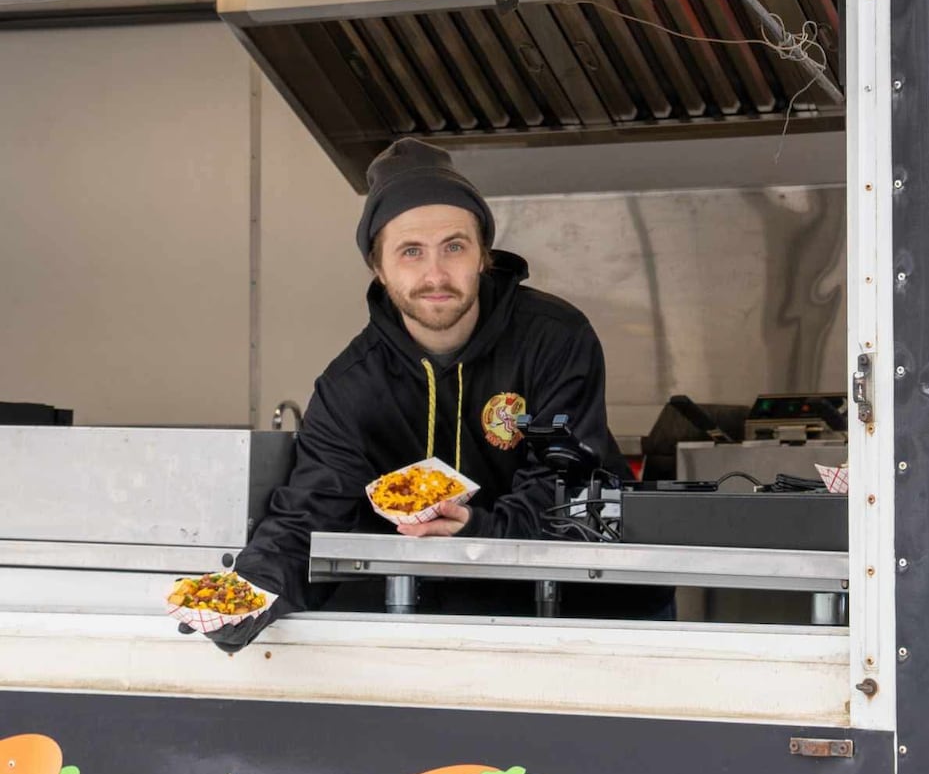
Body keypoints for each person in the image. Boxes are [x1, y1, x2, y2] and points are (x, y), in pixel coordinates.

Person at [195, 138, 671, 652]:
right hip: (435, 625)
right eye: (411, 252)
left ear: (483, 255)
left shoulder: (553, 337)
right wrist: (246, 594)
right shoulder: (351, 385)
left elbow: (569, 488)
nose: (436, 275)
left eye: (454, 247)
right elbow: (309, 514)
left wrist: (476, 527)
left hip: (591, 622)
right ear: (379, 267)